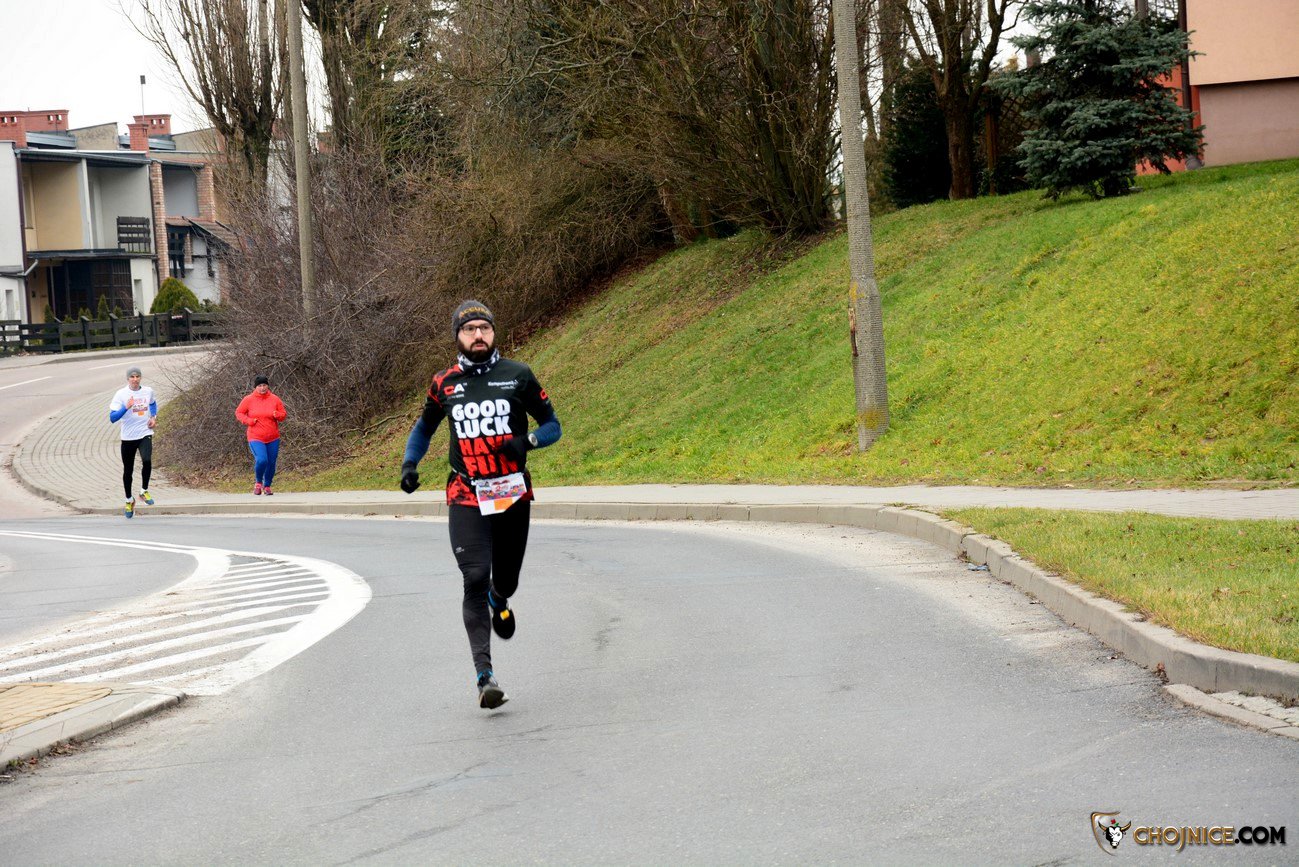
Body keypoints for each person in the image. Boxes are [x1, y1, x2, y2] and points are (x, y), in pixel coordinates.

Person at [400, 300, 562, 709]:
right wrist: (409, 463)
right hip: (466, 491)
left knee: (505, 581)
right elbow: (424, 428)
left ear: (493, 333)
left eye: (484, 328)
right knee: (474, 575)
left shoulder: (517, 375)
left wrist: (526, 441)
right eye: (469, 329)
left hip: (510, 491)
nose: (478, 335)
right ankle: (484, 676)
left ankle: (499, 598)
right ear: (457, 336)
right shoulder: (444, 383)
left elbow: (553, 426)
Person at [108, 366, 157, 519]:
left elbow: (153, 403)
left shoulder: (148, 391)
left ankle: (143, 491)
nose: (135, 379)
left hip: (144, 433)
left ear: (140, 378)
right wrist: (126, 407)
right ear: (128, 379)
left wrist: (153, 417)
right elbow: (112, 418)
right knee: (128, 470)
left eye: (137, 376)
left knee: (147, 460)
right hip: (128, 437)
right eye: (132, 377)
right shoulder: (121, 394)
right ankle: (129, 500)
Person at [235, 374, 288, 495]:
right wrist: (248, 421)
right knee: (262, 460)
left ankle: (267, 486)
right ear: (255, 387)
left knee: (271, 462)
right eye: (259, 386)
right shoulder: (248, 399)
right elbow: (239, 413)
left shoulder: (275, 399)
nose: (262, 388)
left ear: (268, 386)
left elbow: (283, 414)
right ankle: (258, 482)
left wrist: (277, 415)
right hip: (255, 437)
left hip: (273, 437)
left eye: (264, 385)